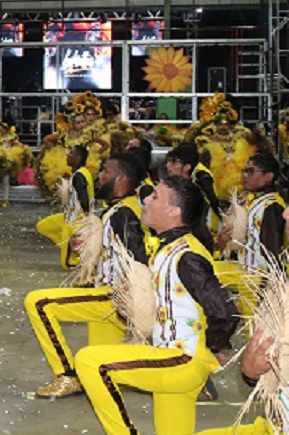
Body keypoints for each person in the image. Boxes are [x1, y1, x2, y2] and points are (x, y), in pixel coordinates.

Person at [75, 176, 238, 434]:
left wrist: (212, 345)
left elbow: (226, 312)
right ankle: (264, 430)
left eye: (155, 197)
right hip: (175, 361)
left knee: (89, 361)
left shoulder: (187, 256)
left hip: (179, 361)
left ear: (174, 211)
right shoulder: (169, 247)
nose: (146, 200)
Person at [24, 152, 147, 399]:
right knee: (101, 365)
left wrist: (136, 301)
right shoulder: (122, 208)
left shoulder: (124, 213)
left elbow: (139, 257)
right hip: (107, 295)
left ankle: (67, 375)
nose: (99, 176)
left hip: (113, 298)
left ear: (121, 178)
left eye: (105, 171)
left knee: (38, 303)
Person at [216, 151, 285, 319]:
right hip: (247, 275)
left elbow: (273, 251)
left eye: (251, 171)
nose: (245, 176)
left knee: (258, 328)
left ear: (269, 176)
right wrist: (224, 241)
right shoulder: (252, 200)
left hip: (260, 281)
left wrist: (271, 288)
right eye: (244, 171)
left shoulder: (271, 207)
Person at [35, 145, 93, 270]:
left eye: (71, 153)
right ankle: (69, 246)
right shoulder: (83, 172)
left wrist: (85, 221)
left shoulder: (79, 176)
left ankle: (78, 258)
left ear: (78, 157)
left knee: (67, 265)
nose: (67, 156)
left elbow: (84, 198)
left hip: (75, 221)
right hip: (69, 218)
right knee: (43, 226)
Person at [165, 142, 223, 238]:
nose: (168, 166)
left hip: (208, 225)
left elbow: (213, 200)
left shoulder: (202, 177)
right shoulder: (189, 176)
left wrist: (224, 218)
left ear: (187, 167)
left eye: (174, 162)